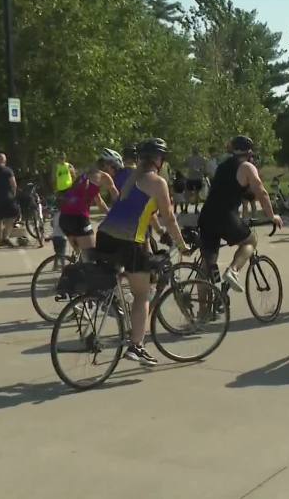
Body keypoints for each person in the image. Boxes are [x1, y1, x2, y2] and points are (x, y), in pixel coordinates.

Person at [95, 138, 191, 364]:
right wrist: (181, 244)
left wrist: (158, 230)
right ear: (159, 160)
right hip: (130, 241)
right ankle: (136, 346)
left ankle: (110, 303)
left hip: (105, 236)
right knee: (142, 294)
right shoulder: (158, 182)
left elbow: (144, 211)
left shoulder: (130, 177)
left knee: (123, 278)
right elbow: (168, 216)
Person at [198, 135, 283, 292]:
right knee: (250, 241)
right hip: (225, 216)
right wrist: (272, 216)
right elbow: (262, 193)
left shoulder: (222, 166)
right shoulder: (246, 167)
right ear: (249, 152)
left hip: (207, 216)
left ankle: (204, 311)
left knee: (207, 263)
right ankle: (233, 271)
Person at [58, 158, 118, 256]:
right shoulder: (104, 176)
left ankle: (76, 268)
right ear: (107, 166)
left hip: (64, 219)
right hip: (78, 219)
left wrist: (109, 215)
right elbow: (116, 195)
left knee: (81, 256)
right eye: (113, 168)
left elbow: (99, 201)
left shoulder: (84, 177)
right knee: (91, 257)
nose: (114, 171)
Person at [0, 152, 20, 247]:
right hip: (8, 197)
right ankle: (5, 237)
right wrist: (14, 195)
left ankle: (0, 239)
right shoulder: (8, 170)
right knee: (14, 214)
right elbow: (14, 184)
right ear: (5, 161)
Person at [185, 146, 207, 213]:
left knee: (188, 193)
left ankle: (186, 209)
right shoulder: (202, 159)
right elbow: (205, 169)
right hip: (198, 178)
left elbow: (185, 165)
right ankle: (195, 209)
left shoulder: (189, 158)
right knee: (197, 193)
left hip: (190, 178)